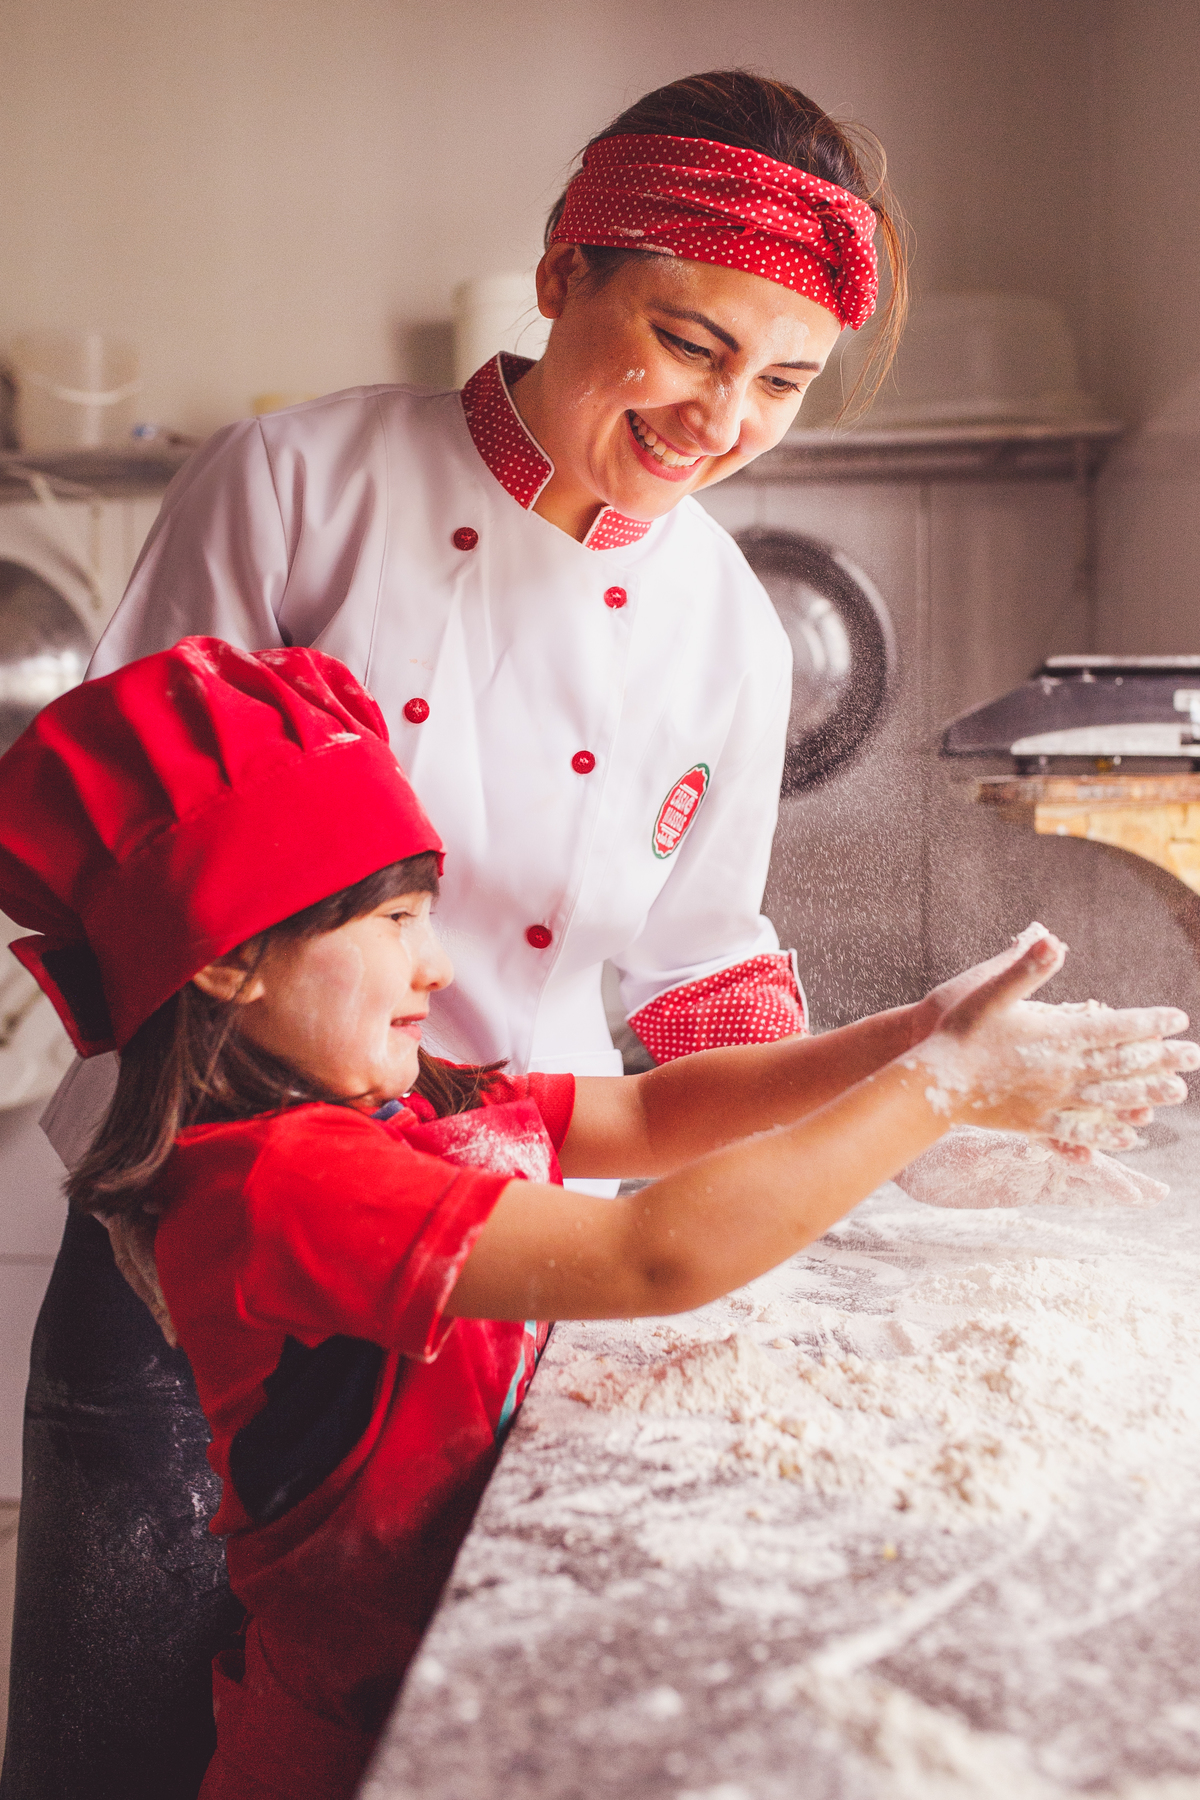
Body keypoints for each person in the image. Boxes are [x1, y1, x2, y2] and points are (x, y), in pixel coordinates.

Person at [6, 69, 918, 1800]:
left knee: (401, 1736)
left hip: (504, 1250)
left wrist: (810, 1204)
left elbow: (700, 955)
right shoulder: (299, 482)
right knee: (115, 1730)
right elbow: (140, 845)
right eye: (690, 343)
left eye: (783, 383)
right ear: (565, 269)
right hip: (209, 1234)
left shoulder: (724, 613)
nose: (725, 422)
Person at [0, 640, 1191, 1800]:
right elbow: (651, 1253)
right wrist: (937, 1095)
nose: (438, 969)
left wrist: (910, 1036)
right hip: (342, 1742)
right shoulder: (274, 1188)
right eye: (395, 923)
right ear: (227, 959)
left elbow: (652, 1110)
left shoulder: (391, 1111)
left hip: (424, 1659)